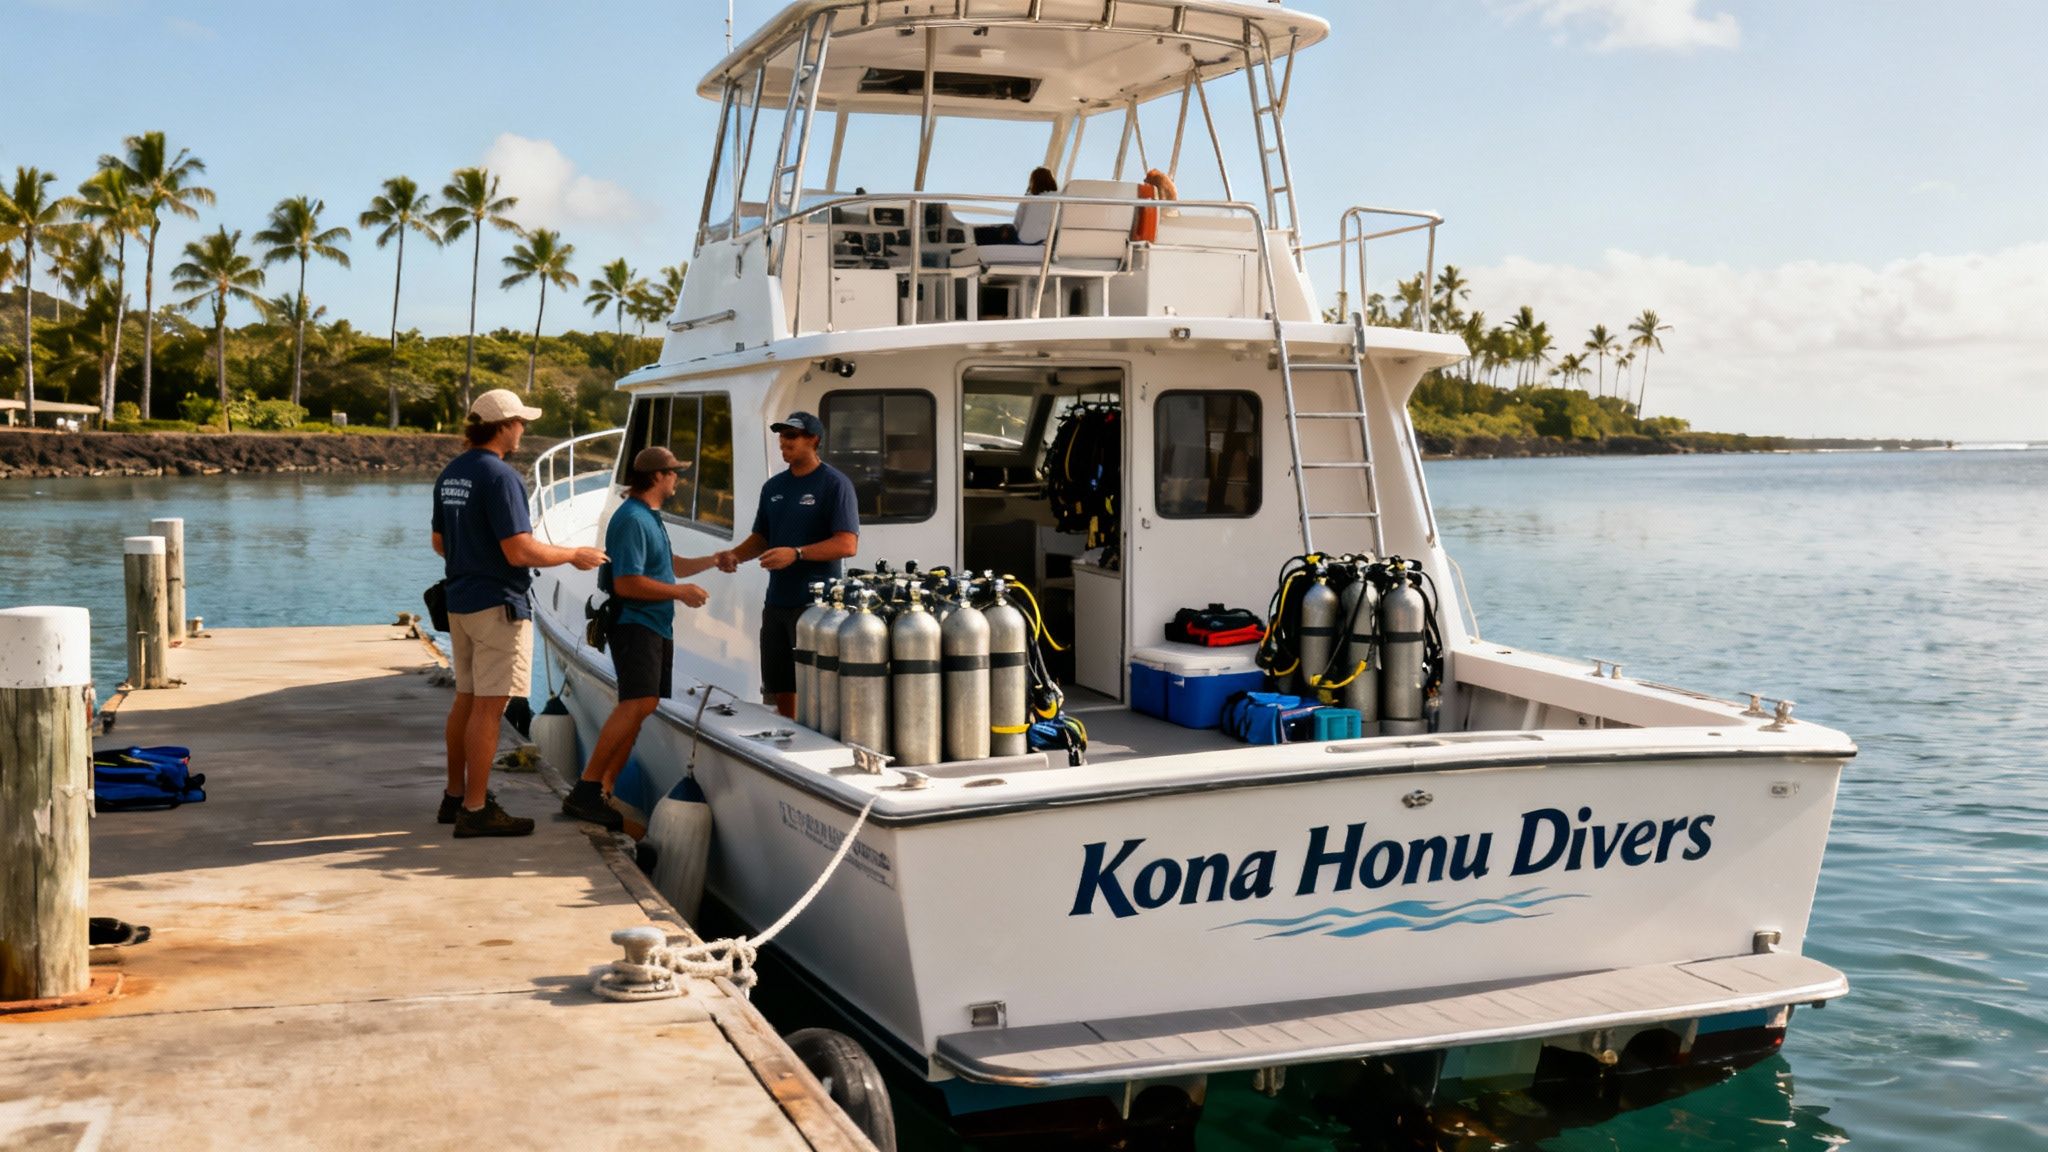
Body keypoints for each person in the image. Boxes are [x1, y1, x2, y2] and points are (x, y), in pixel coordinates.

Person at [432, 389, 605, 838]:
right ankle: (475, 809)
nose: (523, 430)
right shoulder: (501, 477)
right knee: (491, 709)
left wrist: (471, 552)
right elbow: (518, 550)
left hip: (460, 601)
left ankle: (455, 797)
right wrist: (573, 555)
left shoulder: (452, 473)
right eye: (520, 422)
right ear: (504, 425)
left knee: (466, 701)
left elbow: (439, 542)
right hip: (497, 606)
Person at [562, 446, 716, 830]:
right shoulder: (631, 518)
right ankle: (587, 789)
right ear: (658, 477)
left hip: (655, 624)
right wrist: (681, 593)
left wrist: (716, 559)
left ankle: (604, 789)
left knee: (643, 704)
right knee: (636, 703)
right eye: (674, 473)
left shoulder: (649, 516)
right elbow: (627, 583)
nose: (678, 479)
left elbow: (669, 565)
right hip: (636, 623)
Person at [714, 412, 860, 718]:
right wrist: (735, 556)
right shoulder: (773, 488)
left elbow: (847, 544)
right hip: (777, 602)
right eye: (781, 436)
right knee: (781, 686)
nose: (784, 443)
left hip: (815, 607)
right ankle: (788, 736)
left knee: (815, 687)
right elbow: (761, 538)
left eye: (792, 436)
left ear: (814, 440)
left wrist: (796, 553)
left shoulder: (835, 485)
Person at [975, 166, 1059, 246]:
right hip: (1049, 240)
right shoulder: (1060, 199)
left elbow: (1017, 223)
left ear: (1033, 181)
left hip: (1026, 240)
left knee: (982, 232)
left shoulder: (1029, 198)